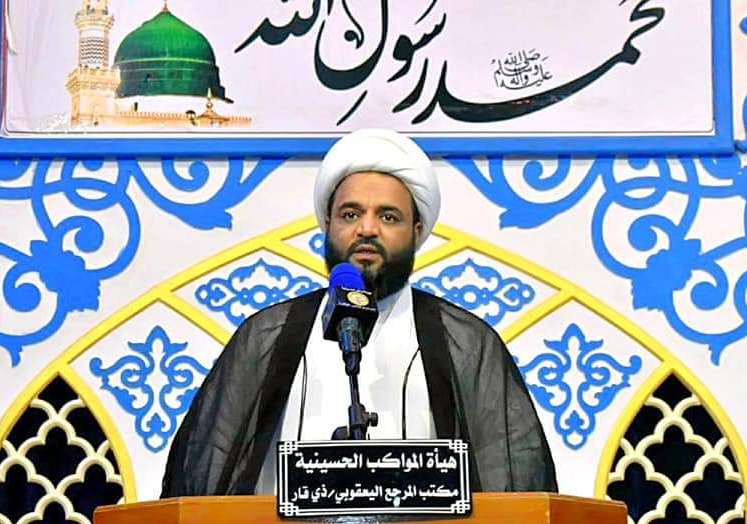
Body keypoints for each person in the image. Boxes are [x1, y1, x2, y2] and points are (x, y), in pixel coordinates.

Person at [161, 129, 557, 496]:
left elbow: (514, 488)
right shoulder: (268, 335)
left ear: (417, 230)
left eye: (388, 216)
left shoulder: (466, 343)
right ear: (327, 224)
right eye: (350, 214)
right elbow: (201, 480)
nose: (367, 229)